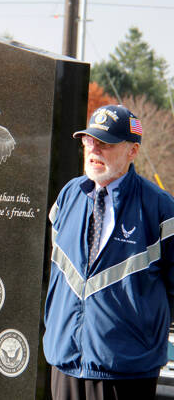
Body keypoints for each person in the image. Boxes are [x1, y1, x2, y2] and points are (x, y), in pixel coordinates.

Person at [43, 105, 174, 400]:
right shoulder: (69, 195)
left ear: (133, 151)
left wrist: (140, 335)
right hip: (64, 363)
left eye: (106, 143)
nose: (95, 149)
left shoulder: (159, 208)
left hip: (126, 372)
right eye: (90, 140)